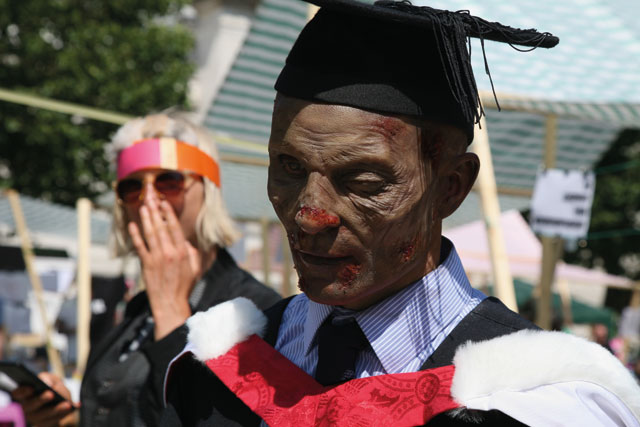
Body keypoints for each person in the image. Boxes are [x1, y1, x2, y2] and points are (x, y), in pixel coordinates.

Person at [163, 1, 640, 425]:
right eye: (289, 167)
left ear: (450, 188)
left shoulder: (535, 402)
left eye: (364, 181)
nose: (310, 215)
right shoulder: (221, 372)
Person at [12, 113, 281, 427]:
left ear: (206, 190)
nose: (149, 200)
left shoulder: (255, 311)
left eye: (169, 182)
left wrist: (172, 314)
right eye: (132, 187)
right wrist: (66, 419)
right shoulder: (137, 313)